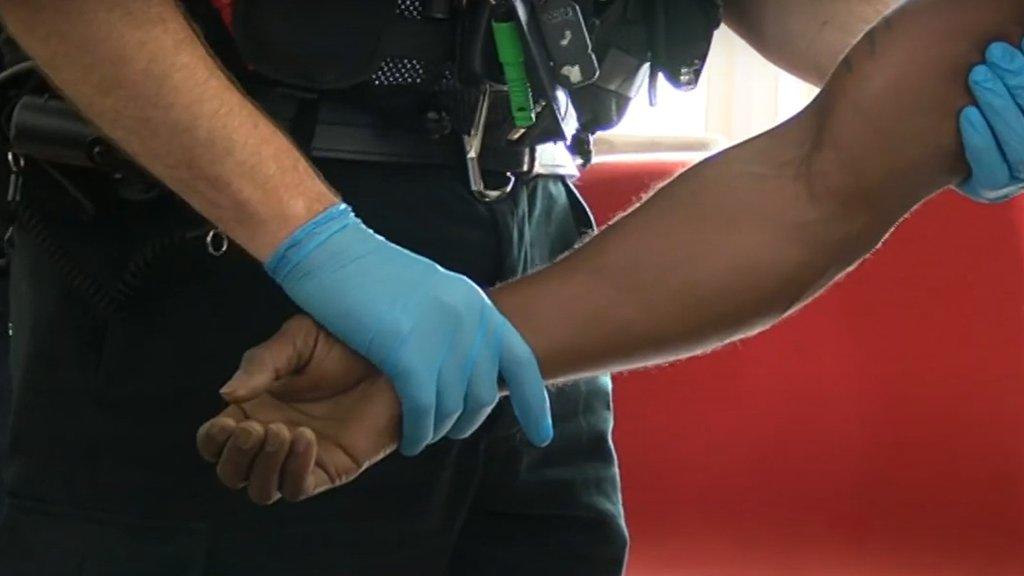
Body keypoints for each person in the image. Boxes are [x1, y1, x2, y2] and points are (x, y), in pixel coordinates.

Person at [0, 1, 1020, 575]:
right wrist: (317, 243)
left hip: (530, 248)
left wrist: (944, 73)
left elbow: (834, 135)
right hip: (218, 230)